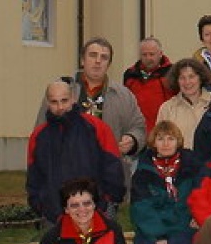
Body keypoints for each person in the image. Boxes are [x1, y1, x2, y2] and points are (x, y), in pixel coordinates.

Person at [37, 37, 148, 174]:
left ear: (109, 64)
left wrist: (133, 140)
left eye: (104, 57)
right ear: (82, 60)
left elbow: (139, 128)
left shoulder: (124, 96)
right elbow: (40, 131)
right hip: (65, 175)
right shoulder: (60, 91)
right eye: (93, 55)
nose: (98, 61)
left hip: (108, 176)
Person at [27, 79, 125, 225]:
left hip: (97, 212)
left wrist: (109, 201)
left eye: (64, 100)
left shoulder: (97, 128)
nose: (60, 107)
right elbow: (34, 177)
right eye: (54, 102)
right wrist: (41, 205)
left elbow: (113, 168)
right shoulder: (38, 136)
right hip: (54, 217)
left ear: (73, 98)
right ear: (47, 103)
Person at [157, 57, 211, 150]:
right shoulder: (167, 108)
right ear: (177, 81)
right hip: (179, 163)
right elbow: (159, 142)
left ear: (200, 78)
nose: (187, 82)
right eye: (182, 78)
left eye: (191, 76)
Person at [122, 36, 174, 134]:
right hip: (137, 132)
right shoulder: (130, 74)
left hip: (163, 131)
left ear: (160, 54)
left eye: (152, 54)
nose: (148, 58)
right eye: (144, 55)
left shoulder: (172, 73)